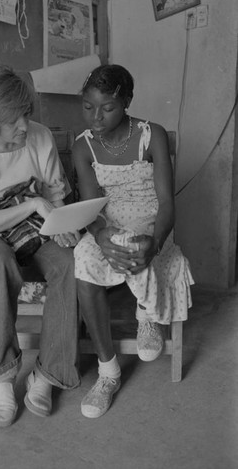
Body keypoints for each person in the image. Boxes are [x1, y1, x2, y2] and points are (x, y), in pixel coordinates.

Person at [0, 65, 80, 427]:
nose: (24, 125)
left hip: (34, 226)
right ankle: (4, 376)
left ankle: (47, 374)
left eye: (26, 114)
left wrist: (63, 226)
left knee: (69, 262)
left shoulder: (39, 137)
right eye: (13, 120)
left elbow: (56, 197)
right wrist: (35, 205)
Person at [72, 64, 194, 419]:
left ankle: (146, 314)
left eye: (107, 107)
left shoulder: (150, 134)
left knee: (137, 242)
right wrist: (99, 235)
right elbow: (90, 207)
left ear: (126, 101)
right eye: (88, 106)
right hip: (106, 223)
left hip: (151, 223)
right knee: (83, 257)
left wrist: (155, 243)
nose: (96, 117)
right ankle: (108, 372)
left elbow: (167, 202)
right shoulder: (83, 147)